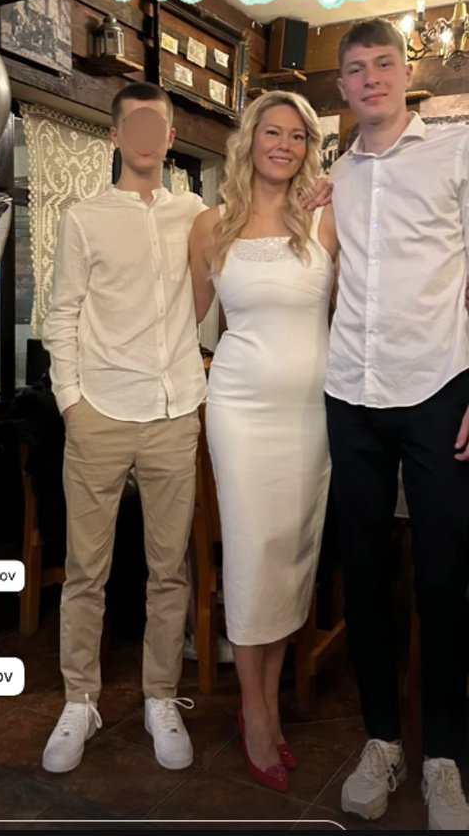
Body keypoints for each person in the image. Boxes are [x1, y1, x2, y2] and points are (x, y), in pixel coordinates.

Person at [324, 18, 469, 830]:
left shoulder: (456, 152)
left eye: (384, 63)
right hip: (350, 391)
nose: (372, 77)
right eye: (357, 68)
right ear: (343, 86)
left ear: (406, 72)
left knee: (445, 576)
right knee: (365, 574)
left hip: (439, 386)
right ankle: (381, 739)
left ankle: (443, 754)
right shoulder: (335, 175)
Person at [41, 82, 206, 774]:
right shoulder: (84, 218)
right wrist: (71, 402)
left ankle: (159, 696)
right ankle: (80, 698)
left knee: (169, 571)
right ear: (116, 136)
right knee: (86, 571)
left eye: (156, 125)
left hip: (174, 411)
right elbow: (62, 313)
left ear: (169, 137)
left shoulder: (195, 213)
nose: (144, 135)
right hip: (100, 412)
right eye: (132, 123)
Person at [189, 90, 338, 792]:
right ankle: (254, 712)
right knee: (251, 557)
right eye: (272, 132)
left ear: (309, 148)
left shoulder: (326, 217)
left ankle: (271, 704)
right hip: (240, 412)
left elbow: (361, 309)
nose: (283, 144)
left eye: (297, 136)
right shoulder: (211, 224)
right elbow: (182, 324)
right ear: (249, 140)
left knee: (289, 559)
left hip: (311, 416)